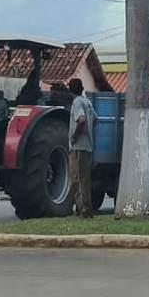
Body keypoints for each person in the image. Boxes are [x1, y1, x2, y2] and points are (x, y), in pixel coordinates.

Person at [67, 78, 95, 218]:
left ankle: (82, 209)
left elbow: (81, 120)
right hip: (88, 145)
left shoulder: (77, 102)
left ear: (70, 89)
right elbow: (95, 119)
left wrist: (74, 136)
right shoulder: (87, 102)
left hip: (78, 146)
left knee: (76, 178)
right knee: (85, 178)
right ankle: (87, 208)